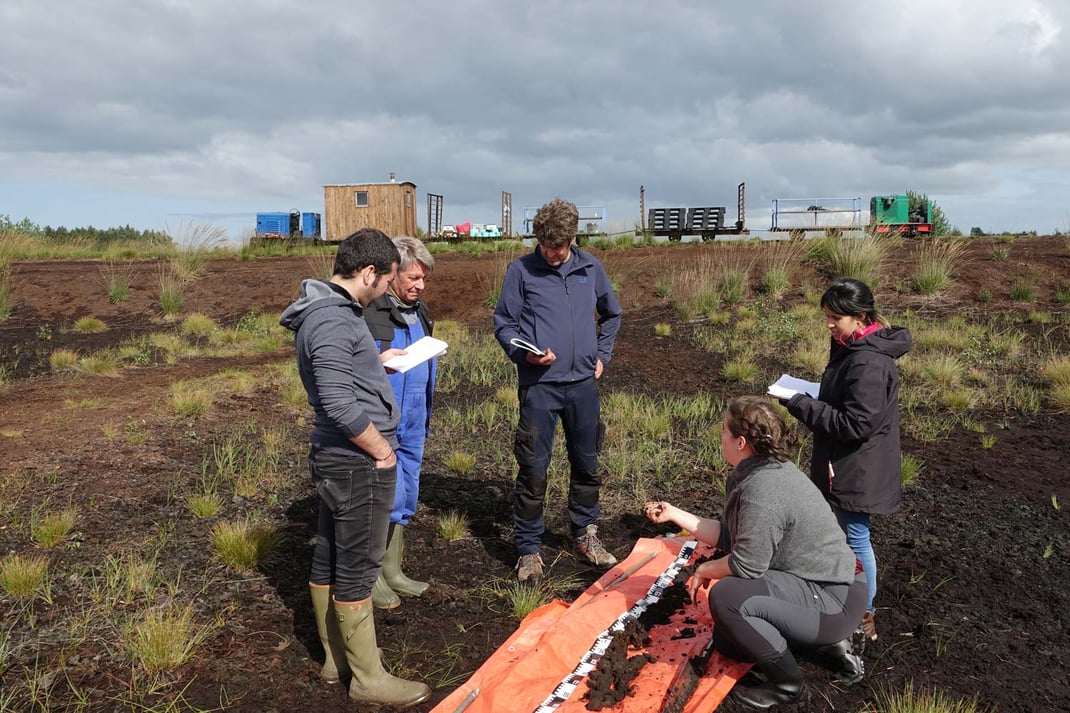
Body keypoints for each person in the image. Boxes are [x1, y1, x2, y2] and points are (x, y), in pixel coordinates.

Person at [279, 228, 430, 708]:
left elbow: (340, 379)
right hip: (355, 460)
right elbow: (338, 403)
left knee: (330, 554)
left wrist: (373, 362)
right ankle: (367, 677)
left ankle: (336, 661)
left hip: (336, 458)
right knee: (358, 565)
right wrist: (382, 452)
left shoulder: (330, 314)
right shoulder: (333, 321)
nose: (387, 289)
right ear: (368, 272)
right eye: (386, 280)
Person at [644, 395, 867, 710]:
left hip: (834, 598)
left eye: (724, 430)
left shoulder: (763, 491)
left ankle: (788, 685)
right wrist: (674, 514)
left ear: (740, 442)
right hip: (821, 584)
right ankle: (823, 644)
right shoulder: (761, 469)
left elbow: (746, 565)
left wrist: (704, 571)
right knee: (730, 640)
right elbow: (731, 535)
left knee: (727, 598)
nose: (719, 435)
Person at [493, 197, 623, 584]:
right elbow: (504, 324)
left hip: (583, 386)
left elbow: (612, 314)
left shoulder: (590, 267)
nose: (551, 254)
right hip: (539, 389)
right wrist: (524, 354)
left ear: (572, 239)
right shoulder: (521, 271)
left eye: (559, 247)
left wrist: (601, 355)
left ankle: (586, 533)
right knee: (533, 468)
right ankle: (529, 549)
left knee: (587, 463)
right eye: (546, 247)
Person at [783, 277, 911, 642]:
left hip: (858, 467)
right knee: (844, 534)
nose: (828, 324)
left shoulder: (867, 361)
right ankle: (846, 597)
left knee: (855, 536)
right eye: (826, 316)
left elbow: (855, 423)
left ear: (859, 316)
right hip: (848, 462)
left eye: (834, 318)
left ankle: (862, 615)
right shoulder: (851, 346)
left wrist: (800, 403)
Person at [364, 236, 436, 609]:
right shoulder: (369, 312)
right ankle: (371, 575)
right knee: (380, 496)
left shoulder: (420, 311)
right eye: (412, 278)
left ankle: (393, 571)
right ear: (392, 274)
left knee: (406, 492)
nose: (420, 286)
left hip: (414, 418)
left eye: (424, 279)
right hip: (382, 422)